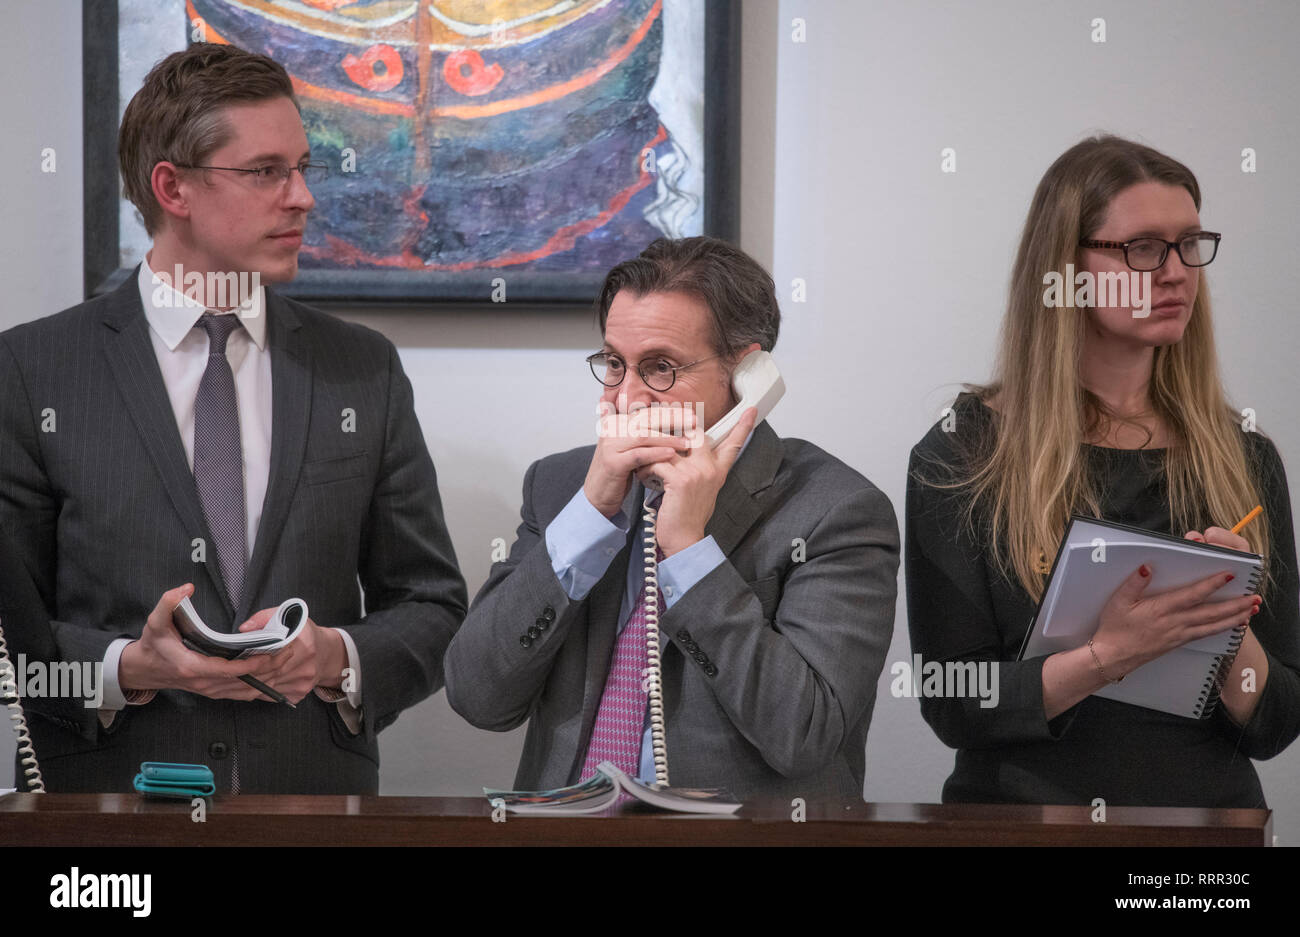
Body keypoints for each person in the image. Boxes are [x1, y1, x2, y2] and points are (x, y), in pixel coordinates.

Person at [0, 44, 467, 794]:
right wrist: (127, 668)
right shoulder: (30, 370)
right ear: (172, 187)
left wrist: (334, 656)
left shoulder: (361, 367)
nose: (303, 197)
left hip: (311, 813)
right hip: (107, 821)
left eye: (303, 167)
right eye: (265, 172)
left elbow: (432, 605)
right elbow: (9, 638)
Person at [905, 135, 1300, 807]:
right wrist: (1103, 658)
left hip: (1202, 840)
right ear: (1066, 266)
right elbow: (955, 700)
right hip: (1022, 824)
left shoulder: (1243, 454)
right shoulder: (963, 452)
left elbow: (1278, 719)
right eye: (1142, 248)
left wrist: (1228, 629)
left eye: (1189, 244)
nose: (1175, 271)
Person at [444, 236, 899, 801]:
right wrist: (588, 518)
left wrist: (688, 551)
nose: (628, 399)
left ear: (747, 374)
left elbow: (801, 736)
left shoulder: (836, 511)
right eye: (614, 364)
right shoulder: (561, 486)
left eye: (660, 367)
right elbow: (476, 696)